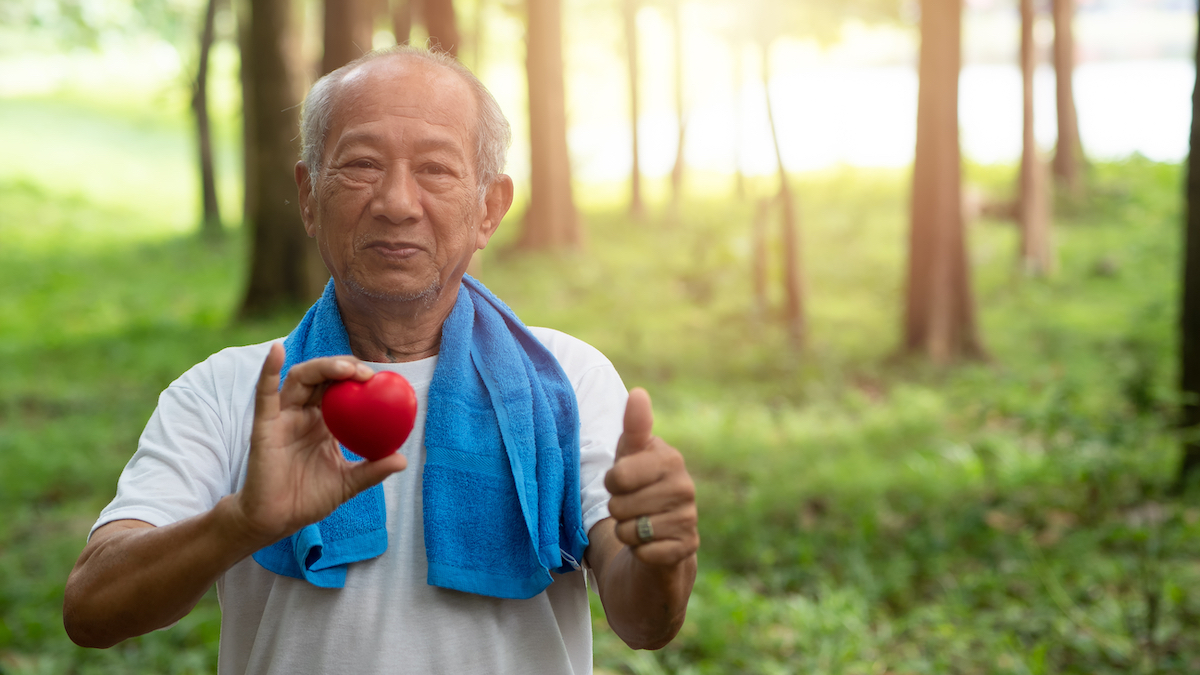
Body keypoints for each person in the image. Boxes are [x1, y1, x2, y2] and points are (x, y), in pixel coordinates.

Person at [62, 46, 698, 675]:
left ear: (489, 208)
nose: (397, 201)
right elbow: (91, 611)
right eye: (361, 164)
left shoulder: (565, 380)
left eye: (436, 170)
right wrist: (239, 522)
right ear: (309, 197)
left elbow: (644, 621)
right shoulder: (233, 390)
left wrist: (657, 551)